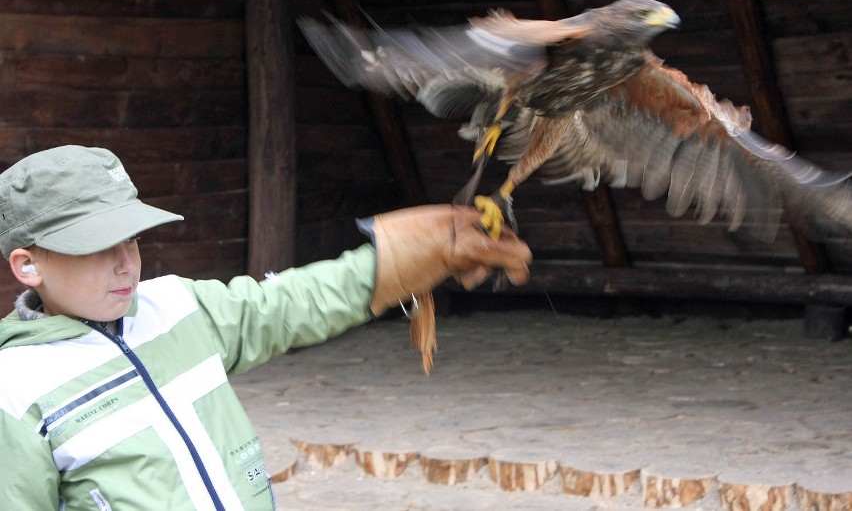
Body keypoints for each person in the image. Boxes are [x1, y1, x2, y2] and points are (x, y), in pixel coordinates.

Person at [0, 145, 532, 510]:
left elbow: (285, 304)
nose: (125, 263)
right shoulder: (14, 391)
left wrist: (394, 263)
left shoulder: (177, 307)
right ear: (28, 265)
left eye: (132, 239)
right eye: (97, 246)